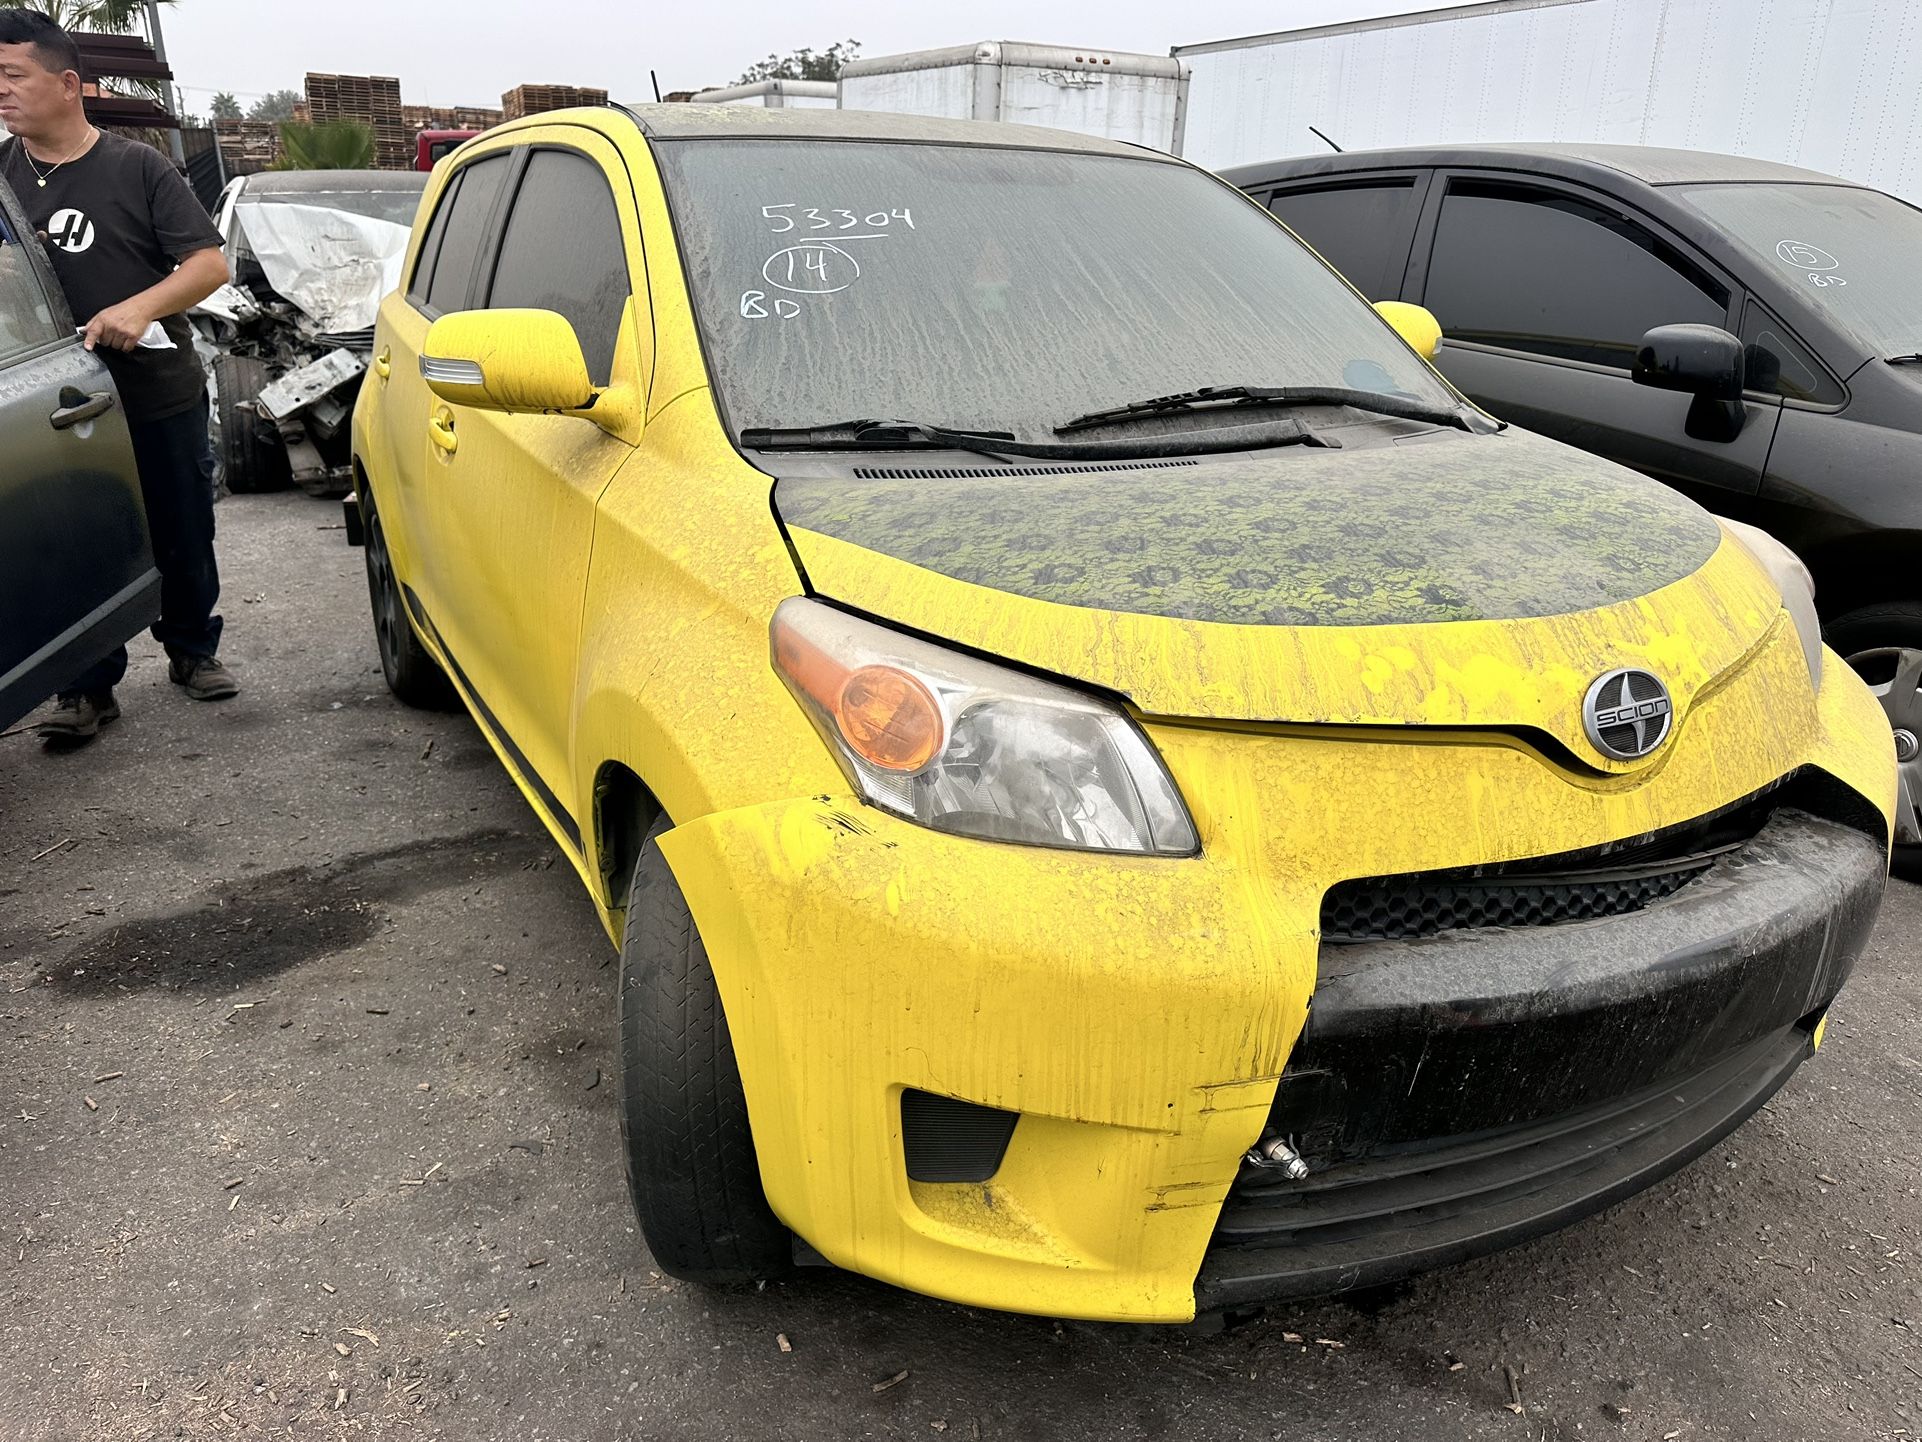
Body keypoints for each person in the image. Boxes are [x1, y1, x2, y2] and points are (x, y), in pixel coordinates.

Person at [0, 11, 237, 747]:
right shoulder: (2, 178)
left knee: (180, 527)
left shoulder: (138, 167)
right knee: (74, 539)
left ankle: (193, 649)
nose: (0, 92)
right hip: (58, 404)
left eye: (13, 76)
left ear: (68, 84)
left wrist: (138, 306)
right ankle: (84, 685)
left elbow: (208, 263)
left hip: (153, 390)